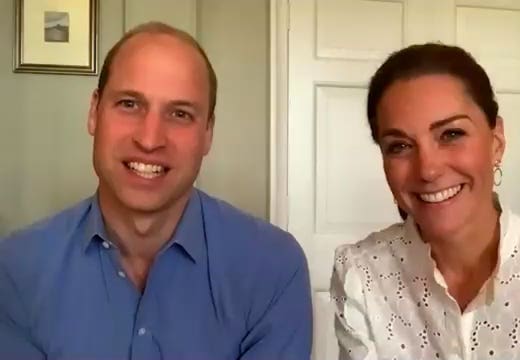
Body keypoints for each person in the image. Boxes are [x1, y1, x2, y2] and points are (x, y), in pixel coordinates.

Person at [0, 22, 312, 360]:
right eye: (130, 104)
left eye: (180, 114)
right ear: (94, 112)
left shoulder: (273, 268)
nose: (149, 140)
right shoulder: (16, 269)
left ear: (208, 133)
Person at [330, 43, 520, 359]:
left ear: (496, 141)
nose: (428, 169)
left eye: (450, 134)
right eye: (400, 146)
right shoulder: (360, 274)